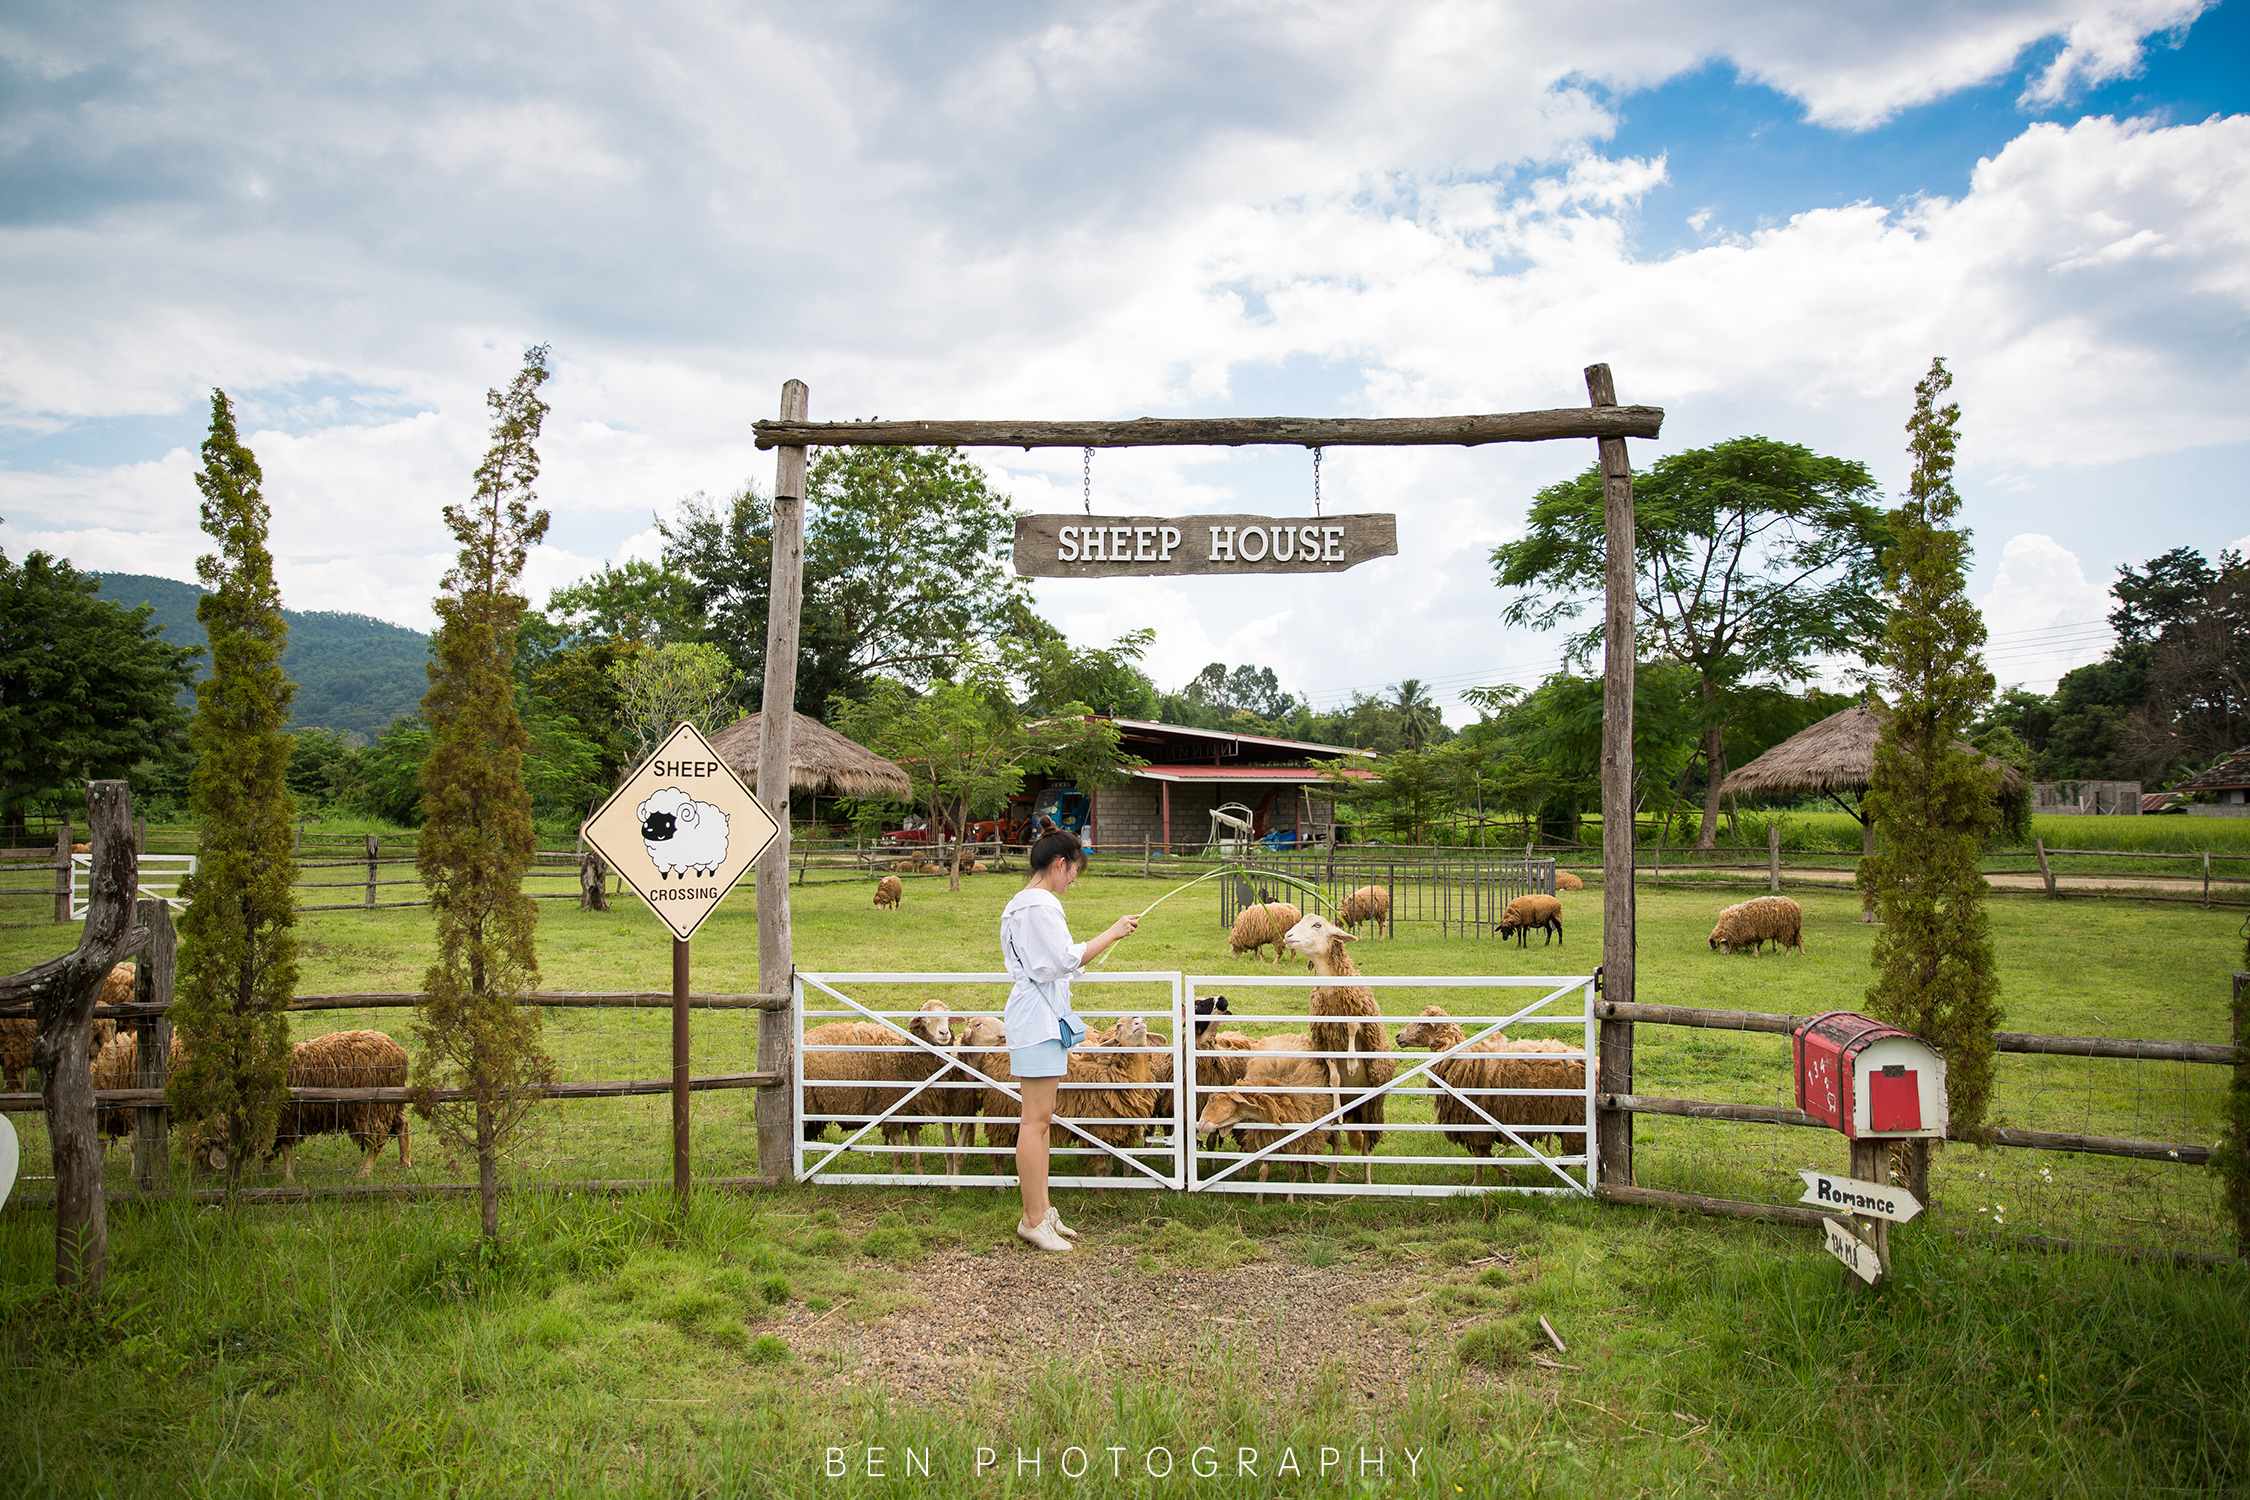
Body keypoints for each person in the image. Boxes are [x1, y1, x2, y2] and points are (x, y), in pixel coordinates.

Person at [1000, 829, 1139, 1252]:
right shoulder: (1043, 904)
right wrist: (1113, 932)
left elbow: (1050, 965)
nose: (1073, 880)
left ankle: (1040, 1211)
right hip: (1038, 1022)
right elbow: (1064, 960)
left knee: (1040, 1120)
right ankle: (1031, 1217)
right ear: (1061, 863)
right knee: (1035, 1121)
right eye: (1074, 871)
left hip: (1037, 1018)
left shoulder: (1018, 904)